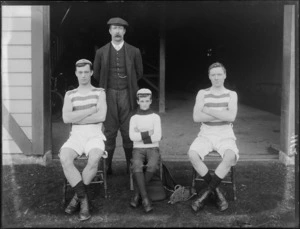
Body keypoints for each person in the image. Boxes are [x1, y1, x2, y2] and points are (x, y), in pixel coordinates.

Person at [93, 17, 143, 175]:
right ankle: (107, 167)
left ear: (125, 31)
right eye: (114, 28)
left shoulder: (134, 51)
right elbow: (97, 74)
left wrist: (126, 86)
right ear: (109, 31)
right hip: (108, 95)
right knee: (109, 132)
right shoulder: (101, 52)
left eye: (120, 28)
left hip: (127, 94)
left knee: (128, 132)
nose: (117, 31)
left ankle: (130, 167)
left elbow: (139, 73)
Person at [59, 59, 107, 221]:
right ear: (76, 73)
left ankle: (76, 200)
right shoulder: (70, 94)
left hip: (95, 134)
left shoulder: (100, 92)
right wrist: (91, 110)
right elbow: (66, 118)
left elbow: (101, 116)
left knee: (94, 158)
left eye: (87, 72)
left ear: (91, 73)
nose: (84, 76)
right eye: (80, 72)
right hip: (76, 135)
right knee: (64, 157)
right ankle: (83, 199)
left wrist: (77, 117)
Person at [188, 62, 239, 212]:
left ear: (225, 75)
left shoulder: (232, 94)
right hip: (206, 132)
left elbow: (231, 117)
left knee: (230, 157)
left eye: (219, 74)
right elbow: (197, 117)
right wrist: (221, 114)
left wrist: (207, 109)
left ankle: (204, 195)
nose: (216, 78)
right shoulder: (202, 93)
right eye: (213, 75)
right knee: (192, 154)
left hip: (225, 133)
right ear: (209, 77)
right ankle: (216, 192)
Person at [129, 88, 162, 213]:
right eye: (142, 101)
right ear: (138, 101)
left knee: (153, 165)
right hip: (138, 149)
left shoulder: (155, 117)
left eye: (147, 101)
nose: (144, 104)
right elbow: (132, 137)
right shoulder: (134, 118)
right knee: (137, 164)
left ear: (150, 101)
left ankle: (138, 195)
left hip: (153, 148)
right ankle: (146, 199)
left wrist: (141, 134)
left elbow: (158, 137)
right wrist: (149, 133)